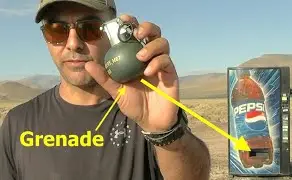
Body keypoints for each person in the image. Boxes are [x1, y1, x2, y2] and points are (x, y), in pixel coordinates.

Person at [0, 0, 211, 179]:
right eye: (56, 30)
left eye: (90, 28)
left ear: (113, 32)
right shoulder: (18, 123)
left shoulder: (144, 112)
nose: (73, 43)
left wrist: (165, 134)